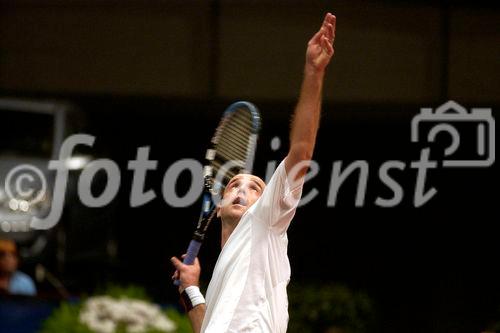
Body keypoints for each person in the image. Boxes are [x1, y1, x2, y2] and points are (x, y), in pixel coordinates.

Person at [171, 12, 336, 333]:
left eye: (256, 188)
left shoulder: (265, 221)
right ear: (217, 206)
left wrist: (314, 72)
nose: (242, 190)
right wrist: (191, 289)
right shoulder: (227, 268)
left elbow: (302, 150)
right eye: (233, 184)